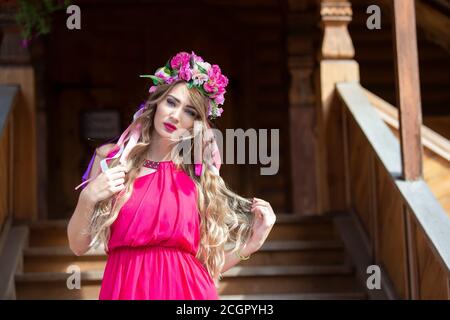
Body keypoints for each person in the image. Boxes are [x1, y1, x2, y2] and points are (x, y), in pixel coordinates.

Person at [67, 51, 276, 300]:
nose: (175, 115)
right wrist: (88, 197)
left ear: (196, 123)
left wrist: (252, 244)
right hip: (126, 291)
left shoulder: (200, 179)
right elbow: (78, 246)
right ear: (156, 103)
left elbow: (207, 269)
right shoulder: (111, 161)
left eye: (189, 111)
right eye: (171, 102)